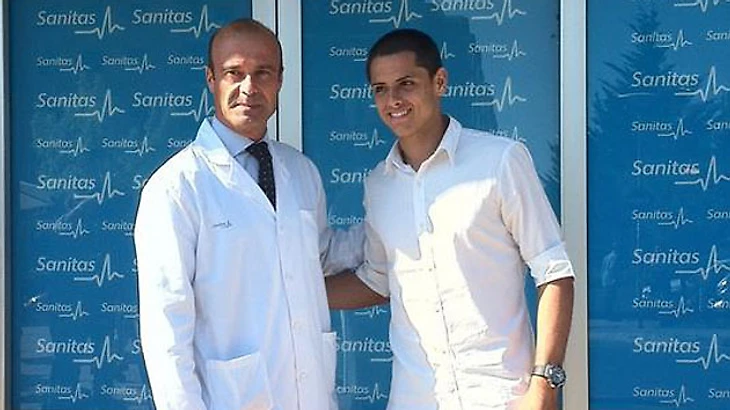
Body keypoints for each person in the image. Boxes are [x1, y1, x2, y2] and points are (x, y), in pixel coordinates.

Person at [326, 28, 575, 410]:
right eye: (380, 89)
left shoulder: (500, 161)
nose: (393, 100)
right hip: (414, 400)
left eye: (406, 84)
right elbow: (377, 279)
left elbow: (554, 271)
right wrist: (293, 293)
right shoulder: (379, 185)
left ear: (439, 81)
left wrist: (544, 385)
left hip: (500, 397)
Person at [134, 18, 361, 410]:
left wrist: (395, 226)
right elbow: (166, 327)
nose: (249, 88)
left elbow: (320, 257)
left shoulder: (300, 172)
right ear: (211, 79)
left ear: (280, 80)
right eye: (234, 73)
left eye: (263, 73)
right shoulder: (178, 186)